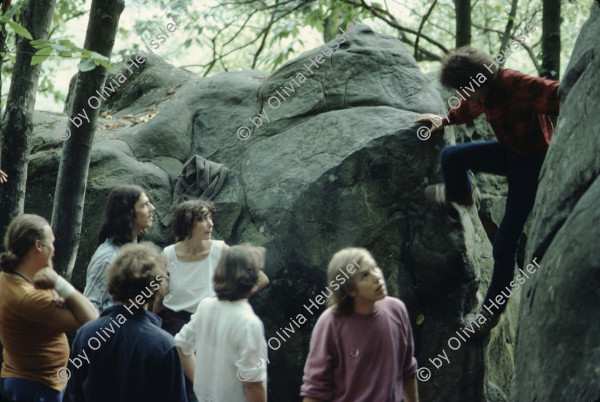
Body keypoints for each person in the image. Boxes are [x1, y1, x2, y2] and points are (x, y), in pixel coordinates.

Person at [414, 46, 559, 337]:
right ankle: (462, 196)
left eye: (464, 90)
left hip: (533, 166)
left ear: (478, 82)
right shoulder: (484, 93)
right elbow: (469, 108)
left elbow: (559, 93)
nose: (463, 95)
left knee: (505, 244)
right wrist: (443, 120)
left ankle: (489, 314)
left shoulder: (515, 85)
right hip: (511, 153)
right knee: (452, 157)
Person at [67, 242, 188, 402]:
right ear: (155, 288)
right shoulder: (164, 346)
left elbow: (74, 394)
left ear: (115, 280)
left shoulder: (87, 333)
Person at [0, 214, 98, 402]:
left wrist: (57, 291)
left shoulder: (8, 276)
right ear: (37, 246)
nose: (53, 250)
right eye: (51, 244)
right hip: (37, 387)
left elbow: (46, 272)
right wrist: (60, 284)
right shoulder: (28, 297)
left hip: (26, 380)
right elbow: (93, 320)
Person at [300, 248, 419, 402]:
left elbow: (408, 370)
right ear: (349, 290)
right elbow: (315, 391)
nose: (377, 277)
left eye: (374, 268)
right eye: (364, 275)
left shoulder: (397, 310)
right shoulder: (330, 323)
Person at [153, 199, 268, 335]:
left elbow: (261, 278)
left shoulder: (220, 250)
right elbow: (158, 294)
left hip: (211, 322)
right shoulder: (168, 255)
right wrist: (153, 324)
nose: (211, 224)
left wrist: (233, 302)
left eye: (210, 218)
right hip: (173, 321)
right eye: (203, 219)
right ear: (187, 224)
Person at [175, 244, 269, 402]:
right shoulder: (250, 322)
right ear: (252, 279)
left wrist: (202, 386)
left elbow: (181, 346)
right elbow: (253, 385)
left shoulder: (205, 306)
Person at [83, 184, 155, 313]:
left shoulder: (134, 246)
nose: (152, 208)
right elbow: (90, 305)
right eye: (144, 205)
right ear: (129, 213)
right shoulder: (109, 257)